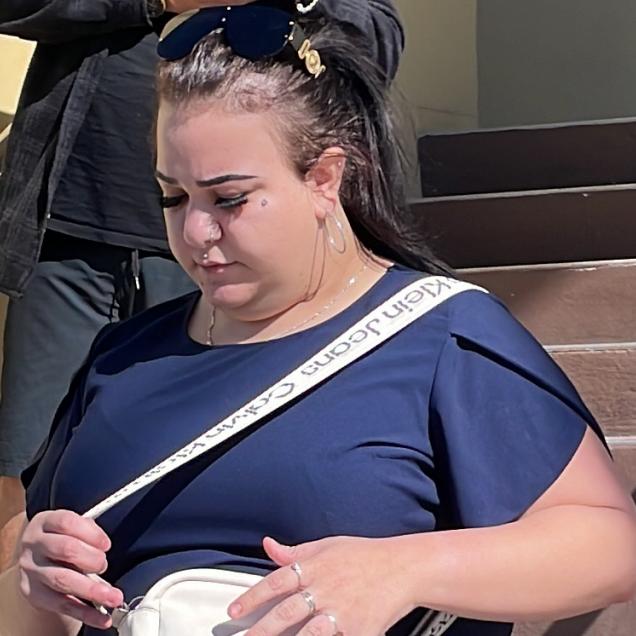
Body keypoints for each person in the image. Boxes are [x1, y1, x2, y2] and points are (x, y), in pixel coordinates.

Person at [2, 8, 635, 636]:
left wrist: (405, 569)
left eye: (230, 199)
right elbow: (28, 608)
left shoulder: (440, 334)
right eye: (172, 196)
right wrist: (31, 585)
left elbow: (609, 546)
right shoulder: (122, 356)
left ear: (325, 178)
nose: (194, 232)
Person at [0, 0, 405, 569]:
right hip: (67, 228)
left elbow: (375, 37)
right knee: (23, 480)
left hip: (247, 260)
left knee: (217, 461)